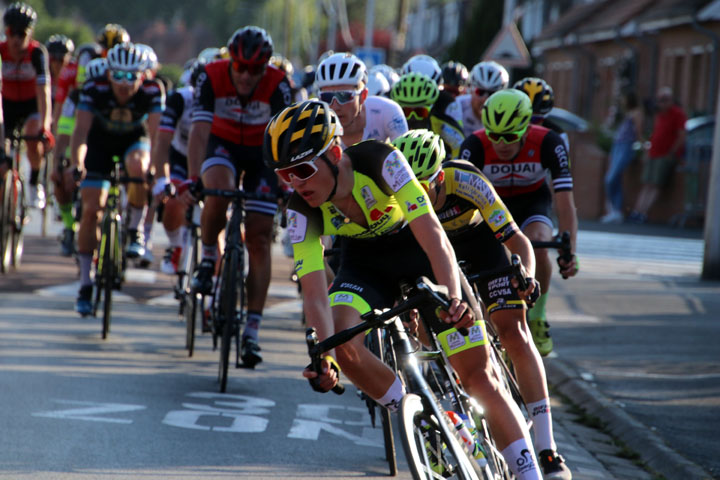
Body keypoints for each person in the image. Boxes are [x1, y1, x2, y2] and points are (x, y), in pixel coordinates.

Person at [265, 99, 542, 480]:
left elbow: (431, 232)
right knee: (343, 341)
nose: (295, 183)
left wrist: (454, 296)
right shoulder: (299, 211)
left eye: (302, 170)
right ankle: (421, 416)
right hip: (364, 264)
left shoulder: (381, 160)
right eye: (284, 175)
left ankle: (530, 472)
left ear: (333, 152)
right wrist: (324, 358)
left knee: (479, 376)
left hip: (417, 249)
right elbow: (314, 291)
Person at [393, 129, 572, 479]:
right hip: (434, 256)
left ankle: (547, 449)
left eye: (426, 186)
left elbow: (517, 240)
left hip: (483, 247)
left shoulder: (466, 181)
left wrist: (527, 276)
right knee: (440, 345)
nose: (417, 196)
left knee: (514, 332)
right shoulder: (399, 199)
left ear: (440, 177)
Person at [187, 26, 292, 368]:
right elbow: (200, 132)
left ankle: (252, 331)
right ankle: (207, 259)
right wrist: (193, 179)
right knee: (216, 188)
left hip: (265, 154)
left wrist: (287, 185)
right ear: (230, 61)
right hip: (224, 145)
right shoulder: (211, 75)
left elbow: (288, 140)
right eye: (240, 67)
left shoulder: (278, 83)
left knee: (260, 239)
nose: (246, 76)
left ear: (265, 67)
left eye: (254, 69)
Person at [460, 89, 579, 357]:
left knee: (538, 242)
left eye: (510, 136)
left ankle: (537, 315)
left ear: (528, 127)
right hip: (490, 205)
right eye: (495, 135)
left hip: (531, 202)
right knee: (491, 256)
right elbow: (462, 201)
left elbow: (565, 202)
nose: (501, 143)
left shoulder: (549, 142)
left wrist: (569, 249)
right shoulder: (474, 145)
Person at [70, 43, 165, 315]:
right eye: (118, 77)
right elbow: (80, 132)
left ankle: (135, 229)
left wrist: (156, 169)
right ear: (108, 74)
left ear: (142, 76)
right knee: (91, 211)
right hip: (99, 144)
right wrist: (77, 162)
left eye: (131, 77)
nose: (124, 85)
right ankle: (85, 284)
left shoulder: (152, 90)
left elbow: (158, 136)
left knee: (139, 166)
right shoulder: (94, 88)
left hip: (133, 142)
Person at [52, 57, 108, 257]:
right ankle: (69, 226)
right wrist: (58, 160)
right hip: (79, 145)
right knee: (60, 176)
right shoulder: (74, 98)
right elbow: (65, 130)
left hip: (103, 148)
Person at [0, 2, 53, 209]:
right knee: (2, 160)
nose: (15, 39)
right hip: (6, 105)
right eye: (12, 33)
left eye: (21, 34)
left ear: (29, 34)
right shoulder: (1, 52)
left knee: (33, 135)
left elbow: (44, 92)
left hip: (31, 105)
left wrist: (45, 127)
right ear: (6, 31)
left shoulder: (37, 53)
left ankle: (34, 182)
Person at [315, 52, 407, 148]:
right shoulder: (314, 124)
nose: (335, 106)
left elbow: (406, 155)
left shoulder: (387, 111)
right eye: (327, 97)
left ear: (363, 96)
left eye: (344, 96)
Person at [628, 87, 686, 224]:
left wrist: (671, 153)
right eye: (660, 100)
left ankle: (643, 213)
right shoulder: (660, 115)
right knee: (647, 183)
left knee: (655, 184)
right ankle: (636, 212)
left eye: (665, 100)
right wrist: (648, 151)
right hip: (654, 153)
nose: (661, 103)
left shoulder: (678, 114)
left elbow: (682, 135)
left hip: (665, 155)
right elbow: (656, 134)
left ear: (671, 100)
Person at [390, 72, 464, 158]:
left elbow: (459, 147)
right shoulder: (391, 122)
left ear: (431, 109)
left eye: (420, 112)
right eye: (406, 112)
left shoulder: (439, 123)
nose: (413, 118)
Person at [600, 91, 643, 224]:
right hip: (618, 145)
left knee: (611, 178)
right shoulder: (625, 113)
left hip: (626, 146)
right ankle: (614, 211)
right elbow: (609, 126)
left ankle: (616, 210)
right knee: (614, 178)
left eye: (624, 99)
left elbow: (638, 131)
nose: (622, 102)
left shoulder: (637, 112)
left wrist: (642, 146)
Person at [513, 77, 569, 151]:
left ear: (544, 118)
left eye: (535, 119)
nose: (528, 125)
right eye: (523, 119)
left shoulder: (558, 135)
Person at [457, 61, 509, 138]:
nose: (485, 99)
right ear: (471, 90)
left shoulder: (507, 114)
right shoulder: (458, 106)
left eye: (492, 94)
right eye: (480, 92)